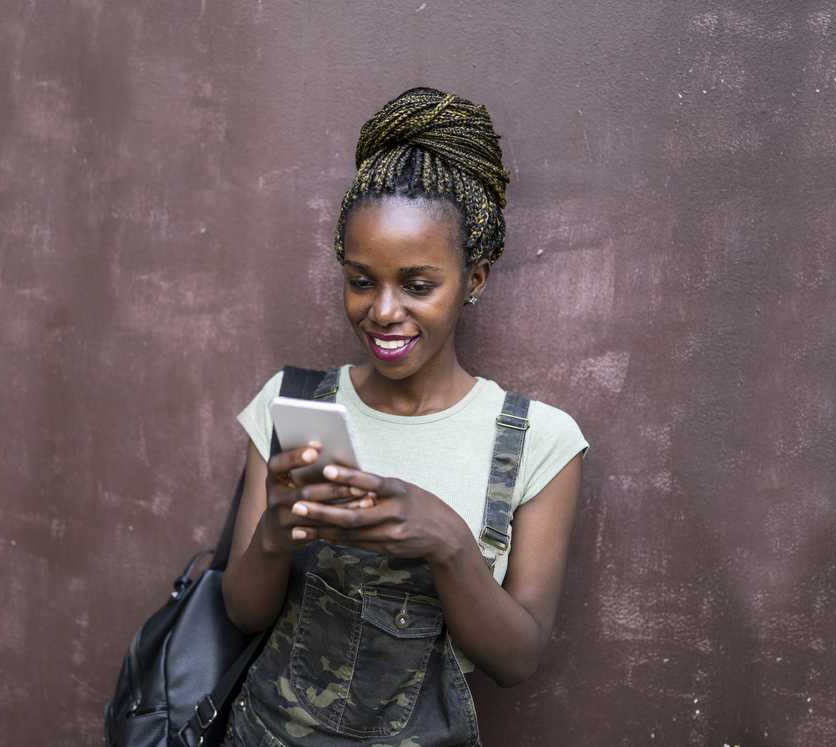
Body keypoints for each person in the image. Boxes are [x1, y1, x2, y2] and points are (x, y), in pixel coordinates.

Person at [219, 86, 589, 746]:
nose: (383, 310)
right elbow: (243, 613)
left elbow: (519, 657)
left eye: (418, 284)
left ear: (474, 278)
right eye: (361, 280)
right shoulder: (296, 401)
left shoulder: (540, 441)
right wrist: (277, 531)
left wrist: (446, 542)